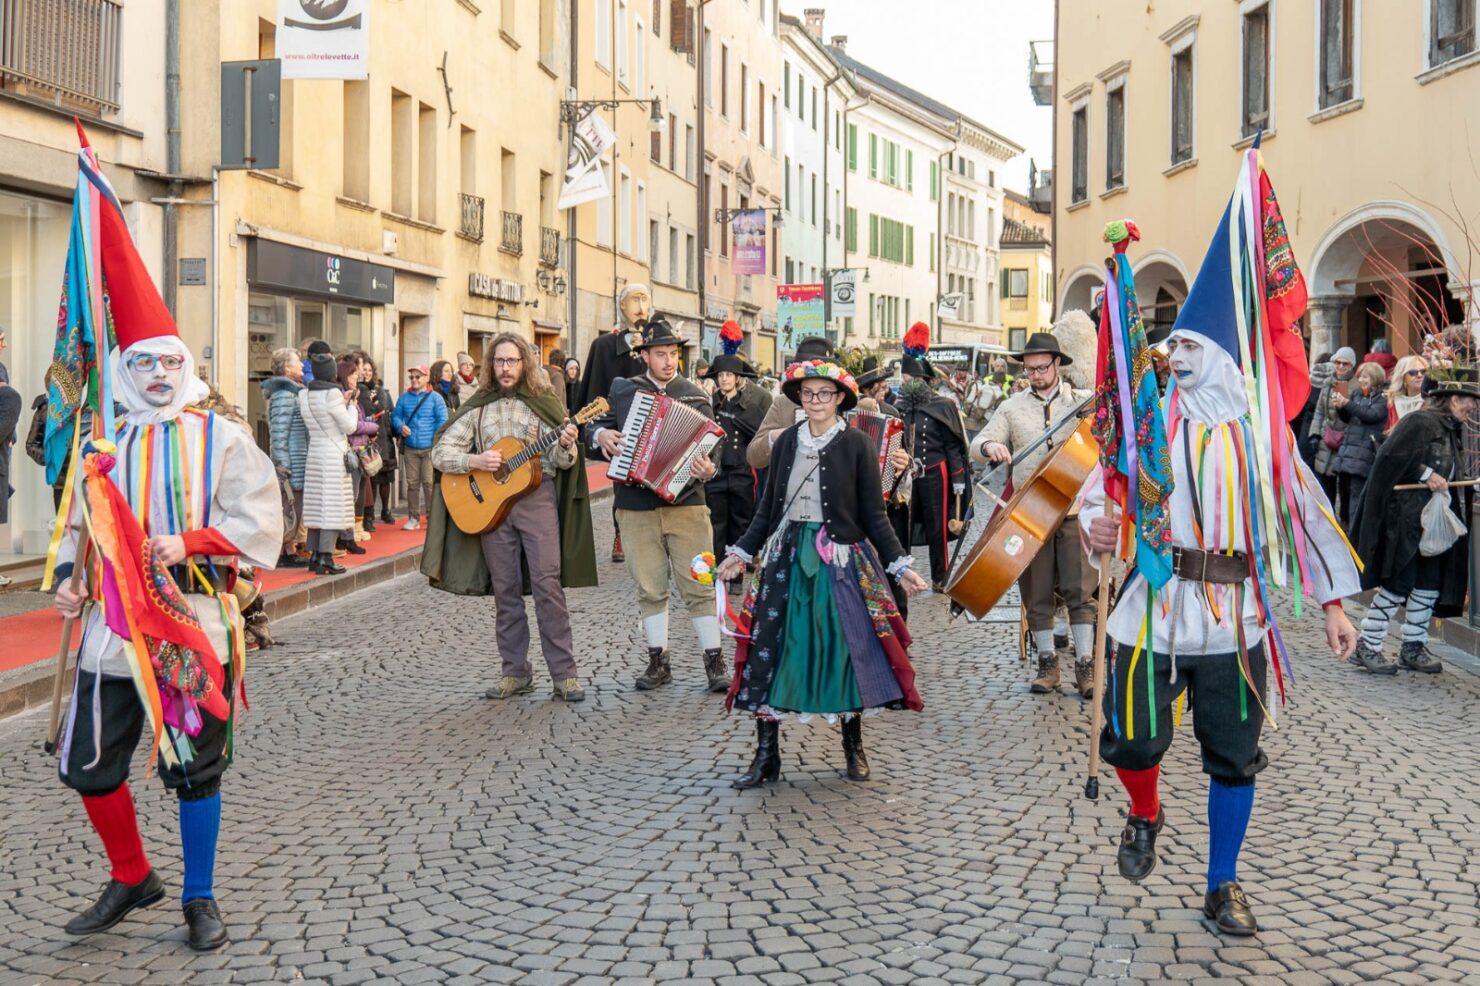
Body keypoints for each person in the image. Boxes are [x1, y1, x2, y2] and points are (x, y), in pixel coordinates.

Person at [1082, 189, 1359, 938]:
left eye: (1194, 350)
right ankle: (1145, 809)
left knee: (1234, 757)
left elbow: (1307, 514)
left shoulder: (1263, 438)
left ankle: (1222, 883)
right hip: (1150, 602)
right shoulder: (1148, 422)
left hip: (1236, 617)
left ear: (1229, 362)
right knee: (1133, 738)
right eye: (1179, 350)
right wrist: (1096, 530)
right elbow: (1096, 490)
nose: (1178, 358)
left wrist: (1333, 603)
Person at [48, 193, 282, 951]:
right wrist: (65, 576)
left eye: (167, 363)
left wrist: (192, 541)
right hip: (109, 629)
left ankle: (199, 896)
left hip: (190, 621)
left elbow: (258, 519)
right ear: (123, 368)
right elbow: (75, 519)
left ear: (186, 367)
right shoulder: (99, 440)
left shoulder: (220, 436)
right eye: (141, 362)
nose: (155, 373)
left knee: (194, 768)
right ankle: (131, 875)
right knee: (88, 764)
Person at [715, 359, 929, 788]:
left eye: (824, 394)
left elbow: (874, 514)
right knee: (770, 650)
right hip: (786, 558)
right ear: (799, 397)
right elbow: (767, 509)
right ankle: (767, 755)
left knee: (846, 649)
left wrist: (899, 565)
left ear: (840, 399)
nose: (815, 401)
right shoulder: (787, 442)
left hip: (841, 560)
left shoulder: (857, 446)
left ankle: (854, 745)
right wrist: (741, 552)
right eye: (808, 394)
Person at [429, 333, 596, 701]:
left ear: (525, 364)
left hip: (537, 500)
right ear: (491, 365)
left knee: (547, 585)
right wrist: (475, 461)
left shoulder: (543, 402)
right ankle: (515, 672)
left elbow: (560, 462)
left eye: (513, 361)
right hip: (493, 508)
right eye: (500, 362)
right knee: (505, 590)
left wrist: (566, 446)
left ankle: (565, 674)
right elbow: (440, 453)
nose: (506, 368)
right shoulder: (479, 405)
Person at [587, 315, 727, 691]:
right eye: (660, 354)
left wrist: (708, 468)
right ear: (645, 356)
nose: (668, 361)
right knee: (650, 586)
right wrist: (602, 434)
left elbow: (716, 448)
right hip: (635, 506)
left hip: (689, 505)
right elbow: (590, 428)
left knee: (701, 581)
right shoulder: (622, 390)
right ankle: (658, 662)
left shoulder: (696, 395)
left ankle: (715, 663)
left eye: (673, 354)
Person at [972, 327, 1099, 695]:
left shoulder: (1081, 402)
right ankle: (1047, 665)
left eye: (1042, 368)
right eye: (1029, 370)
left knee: (1080, 591)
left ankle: (1086, 666)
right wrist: (991, 446)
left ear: (1057, 364)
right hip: (1030, 513)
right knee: (1037, 591)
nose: (1036, 375)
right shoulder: (1011, 408)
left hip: (1075, 509)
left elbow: (1116, 421)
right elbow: (977, 443)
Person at [1350, 366, 1478, 675]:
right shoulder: (1420, 422)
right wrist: (1425, 474)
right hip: (1406, 519)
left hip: (1431, 520)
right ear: (1450, 398)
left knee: (1429, 583)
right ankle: (1368, 643)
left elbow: (1446, 469)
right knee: (1399, 583)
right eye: (1467, 399)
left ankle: (1413, 645)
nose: (1472, 406)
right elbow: (1389, 458)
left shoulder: (1449, 427)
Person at [579, 282, 651, 562]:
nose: (640, 307)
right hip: (620, 426)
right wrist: (595, 429)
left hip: (654, 423)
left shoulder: (659, 344)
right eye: (634, 300)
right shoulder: (605, 346)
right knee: (623, 480)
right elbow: (595, 389)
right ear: (621, 306)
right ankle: (621, 531)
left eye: (645, 300)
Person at [896, 323, 971, 592]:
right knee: (901, 525)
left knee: (937, 527)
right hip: (906, 476)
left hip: (935, 473)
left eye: (908, 379)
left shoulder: (943, 405)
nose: (904, 384)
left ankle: (940, 576)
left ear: (921, 381)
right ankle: (901, 573)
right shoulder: (899, 406)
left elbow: (954, 446)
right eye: (904, 379)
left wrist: (958, 479)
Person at [704, 325, 773, 564]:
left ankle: (737, 570)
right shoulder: (710, 404)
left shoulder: (750, 406)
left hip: (742, 473)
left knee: (740, 522)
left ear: (737, 378)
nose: (724, 379)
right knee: (716, 523)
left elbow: (759, 434)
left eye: (728, 375)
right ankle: (716, 568)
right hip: (716, 473)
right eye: (720, 375)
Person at [298, 352, 359, 574]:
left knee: (316, 506)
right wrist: (351, 404)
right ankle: (326, 557)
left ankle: (314, 554)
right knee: (334, 507)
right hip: (333, 453)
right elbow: (349, 426)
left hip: (315, 452)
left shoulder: (304, 394)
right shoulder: (333, 393)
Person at [261, 348, 309, 567]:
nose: (301, 365)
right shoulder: (284, 394)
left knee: (293, 505)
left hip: (297, 457)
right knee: (289, 506)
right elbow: (279, 432)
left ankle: (288, 547)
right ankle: (285, 550)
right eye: (298, 362)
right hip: (292, 460)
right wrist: (282, 464)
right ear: (287, 368)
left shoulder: (293, 391)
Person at [1329, 361, 1388, 528]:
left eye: (1366, 376)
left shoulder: (1381, 398)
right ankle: (1345, 526)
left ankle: (1355, 534)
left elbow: (1370, 415)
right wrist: (1340, 407)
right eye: (1361, 376)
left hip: (1364, 452)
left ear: (1375, 378)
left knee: (1357, 494)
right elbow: (1348, 418)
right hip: (1349, 450)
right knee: (1344, 492)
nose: (1362, 379)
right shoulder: (1357, 394)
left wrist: (1347, 403)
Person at [391, 365, 448, 531]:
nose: (414, 380)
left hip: (429, 448)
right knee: (412, 484)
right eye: (412, 377)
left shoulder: (436, 398)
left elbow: (442, 420)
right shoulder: (403, 398)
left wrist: (434, 440)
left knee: (429, 483)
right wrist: (400, 426)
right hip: (410, 448)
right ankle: (413, 518)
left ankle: (432, 518)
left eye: (418, 376)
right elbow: (395, 416)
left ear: (426, 378)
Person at [1306, 346, 1356, 505]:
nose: (1340, 367)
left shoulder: (1356, 386)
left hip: (1346, 441)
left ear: (1352, 365)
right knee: (1325, 486)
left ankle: (1343, 524)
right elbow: (1319, 411)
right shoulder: (1327, 383)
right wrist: (1314, 434)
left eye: (1345, 364)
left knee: (1344, 487)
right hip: (1326, 439)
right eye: (1338, 362)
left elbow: (1356, 415)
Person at [341, 358, 378, 550]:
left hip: (359, 448)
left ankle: (350, 534)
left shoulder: (356, 395)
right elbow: (353, 425)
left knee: (356, 493)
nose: (358, 376)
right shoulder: (344, 396)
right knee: (351, 495)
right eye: (354, 373)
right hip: (351, 450)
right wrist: (373, 426)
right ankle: (346, 537)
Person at [357, 355, 398, 529]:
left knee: (385, 479)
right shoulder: (357, 391)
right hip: (366, 439)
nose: (366, 373)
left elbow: (387, 412)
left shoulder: (381, 391)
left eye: (369, 370)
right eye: (363, 370)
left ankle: (386, 510)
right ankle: (369, 516)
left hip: (382, 437)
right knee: (371, 480)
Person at [1385, 355, 1428, 431]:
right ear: (1402, 377)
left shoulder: (1432, 401)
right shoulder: (1393, 402)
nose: (1419, 375)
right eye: (1413, 372)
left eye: (1423, 371)